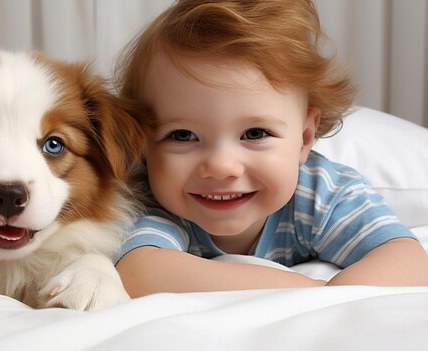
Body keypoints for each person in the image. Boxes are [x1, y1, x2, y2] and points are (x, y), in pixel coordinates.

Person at [114, 0, 428, 298]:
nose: (222, 166)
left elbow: (407, 259)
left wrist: (337, 297)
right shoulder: (152, 200)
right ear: (143, 145)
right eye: (182, 135)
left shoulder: (321, 194)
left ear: (305, 138)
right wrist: (309, 293)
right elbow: (141, 272)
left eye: (255, 133)